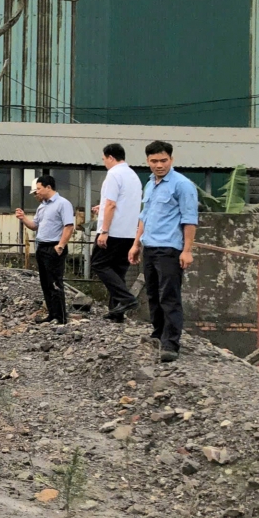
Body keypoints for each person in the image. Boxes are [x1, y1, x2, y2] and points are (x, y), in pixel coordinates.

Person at [128, 140, 198, 363]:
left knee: (169, 296)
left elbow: (189, 220)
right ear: (147, 161)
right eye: (154, 161)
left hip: (169, 249)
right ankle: (157, 334)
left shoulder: (182, 185)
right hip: (150, 247)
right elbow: (144, 216)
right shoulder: (150, 184)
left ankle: (171, 343)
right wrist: (136, 244)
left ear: (171, 159)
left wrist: (187, 250)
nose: (159, 165)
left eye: (163, 160)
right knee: (153, 294)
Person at [91, 143, 142, 321]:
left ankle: (127, 299)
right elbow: (124, 203)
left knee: (98, 263)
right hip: (129, 232)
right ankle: (116, 312)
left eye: (104, 159)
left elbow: (111, 204)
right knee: (118, 270)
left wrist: (104, 231)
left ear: (111, 157)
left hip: (113, 231)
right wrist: (102, 208)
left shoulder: (113, 174)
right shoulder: (133, 175)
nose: (104, 162)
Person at [16, 175, 75, 325]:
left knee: (55, 282)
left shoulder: (63, 204)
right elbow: (35, 225)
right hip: (41, 246)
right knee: (45, 283)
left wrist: (61, 245)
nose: (37, 192)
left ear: (48, 187)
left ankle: (61, 316)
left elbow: (69, 226)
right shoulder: (42, 206)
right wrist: (23, 218)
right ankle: (52, 313)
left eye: (39, 189)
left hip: (54, 246)